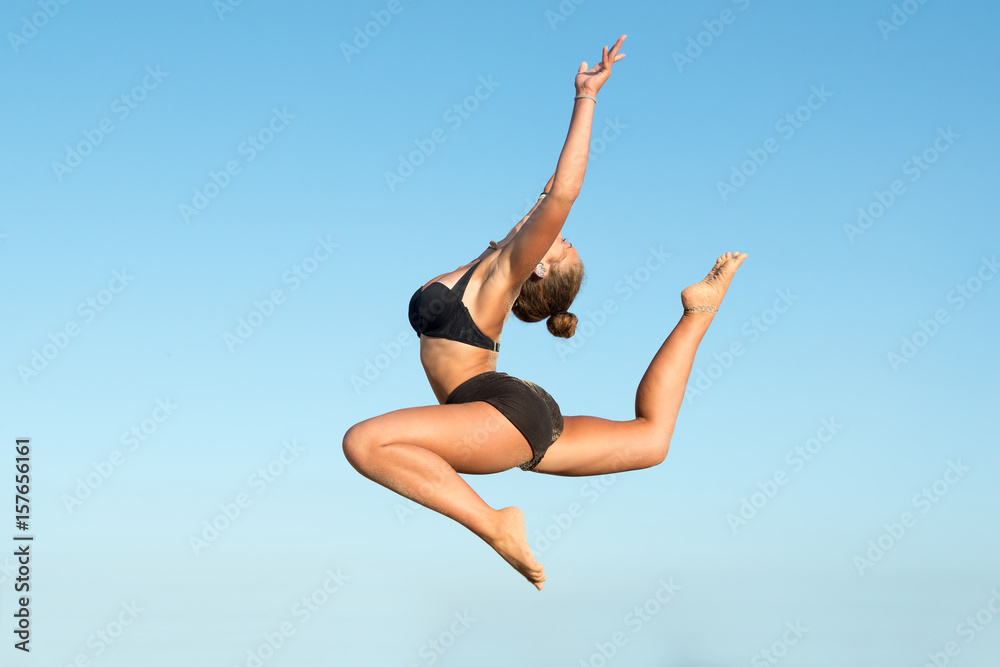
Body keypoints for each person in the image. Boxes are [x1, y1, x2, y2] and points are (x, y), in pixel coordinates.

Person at [343, 35, 747, 590]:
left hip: (496, 410)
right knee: (650, 439)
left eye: (559, 246)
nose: (555, 236)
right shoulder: (499, 263)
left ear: (537, 269)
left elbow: (562, 193)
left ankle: (493, 523)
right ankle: (698, 313)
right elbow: (546, 196)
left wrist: (586, 99)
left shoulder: (504, 270)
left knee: (365, 442)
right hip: (510, 414)